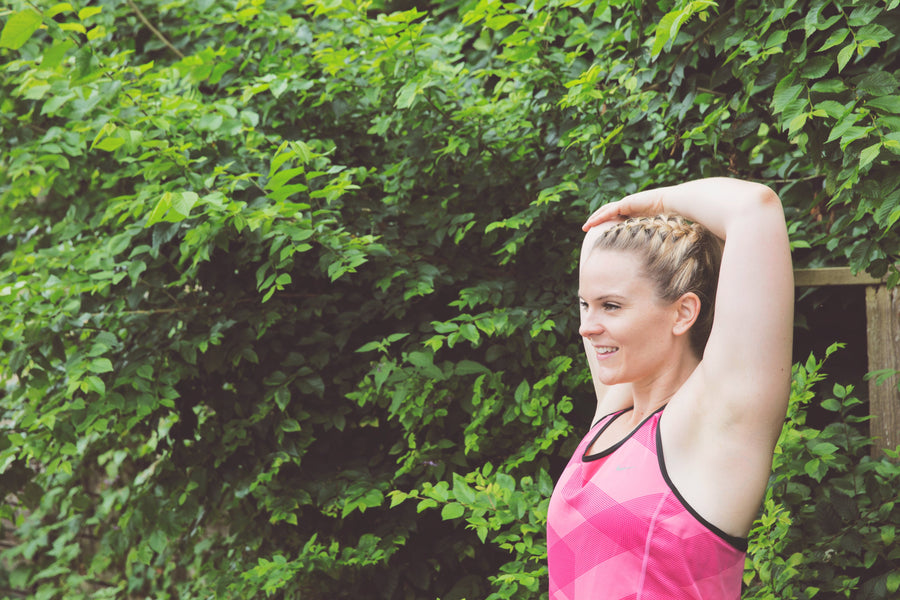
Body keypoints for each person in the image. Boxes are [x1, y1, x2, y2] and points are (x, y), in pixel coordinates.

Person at [547, 177, 794, 599]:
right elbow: (598, 237)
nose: (587, 328)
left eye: (611, 306)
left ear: (683, 313)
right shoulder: (613, 412)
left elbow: (756, 208)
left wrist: (654, 201)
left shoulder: (716, 424)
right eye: (585, 304)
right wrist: (639, 227)